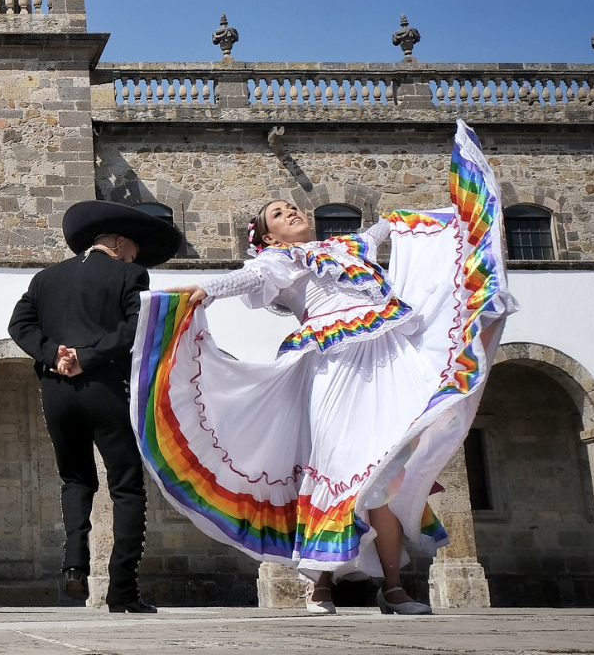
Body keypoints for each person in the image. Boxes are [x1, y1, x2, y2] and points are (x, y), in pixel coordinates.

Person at [133, 121, 514, 615]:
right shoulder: (279, 261)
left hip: (385, 356)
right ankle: (322, 585)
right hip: (331, 361)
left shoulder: (351, 246)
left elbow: (400, 227)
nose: (291, 210)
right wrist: (201, 291)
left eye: (291, 205)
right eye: (277, 213)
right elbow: (241, 279)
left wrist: (463, 213)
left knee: (383, 464)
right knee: (335, 462)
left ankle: (394, 587)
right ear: (267, 234)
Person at [8, 200, 184, 614]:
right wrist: (87, 356)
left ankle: (74, 565)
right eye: (133, 250)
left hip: (57, 391)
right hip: (107, 387)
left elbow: (19, 325)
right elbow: (134, 326)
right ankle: (122, 589)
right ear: (120, 243)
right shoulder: (130, 273)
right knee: (126, 485)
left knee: (75, 479)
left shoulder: (46, 278)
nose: (135, 257)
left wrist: (55, 355)